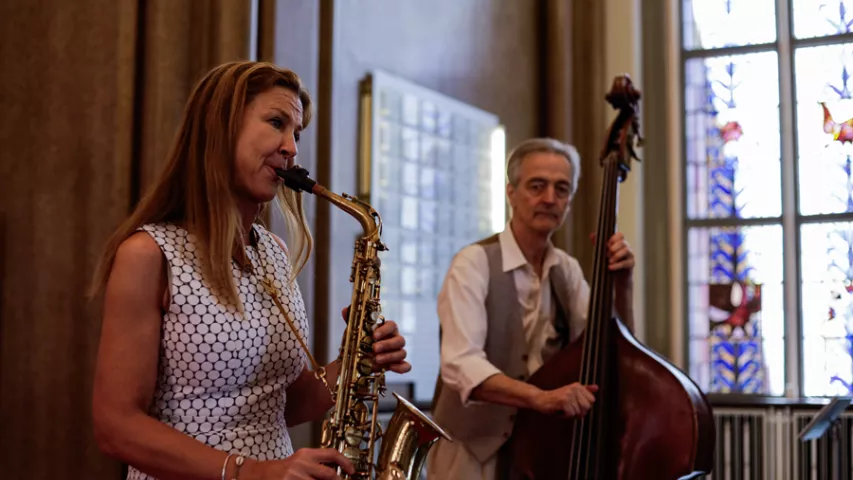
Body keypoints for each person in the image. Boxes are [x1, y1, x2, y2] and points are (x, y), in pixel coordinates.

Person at [90, 61, 411, 480]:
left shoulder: (273, 252)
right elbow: (115, 427)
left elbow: (287, 403)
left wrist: (357, 361)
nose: (292, 147)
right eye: (276, 123)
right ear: (219, 129)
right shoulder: (150, 255)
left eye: (296, 133)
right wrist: (252, 472)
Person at [426, 138, 636, 479]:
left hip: (541, 446)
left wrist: (623, 284)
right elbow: (460, 363)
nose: (550, 198)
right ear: (511, 192)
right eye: (537, 186)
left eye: (562, 189)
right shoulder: (474, 262)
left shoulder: (566, 270)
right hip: (469, 451)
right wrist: (540, 398)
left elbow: (611, 348)